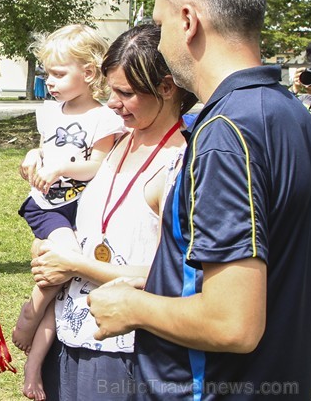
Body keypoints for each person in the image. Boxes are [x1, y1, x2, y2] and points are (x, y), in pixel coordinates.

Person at [87, 0, 311, 400]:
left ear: (188, 20)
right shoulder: (288, 111)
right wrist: (160, 281)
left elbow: (233, 323)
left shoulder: (226, 133)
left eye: (159, 24)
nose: (159, 38)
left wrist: (134, 306)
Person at [26, 24, 195, 401]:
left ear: (167, 88)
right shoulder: (115, 141)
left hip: (123, 347)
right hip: (70, 334)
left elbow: (172, 274)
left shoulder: (178, 165)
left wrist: (75, 265)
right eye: (111, 89)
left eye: (126, 93)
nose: (113, 104)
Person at [11, 24, 125, 382]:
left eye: (59, 73)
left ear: (89, 73)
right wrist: (33, 156)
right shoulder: (49, 111)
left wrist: (63, 166)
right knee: (63, 259)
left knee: (65, 285)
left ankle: (35, 364)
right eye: (48, 73)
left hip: (82, 208)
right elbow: (46, 150)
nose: (50, 81)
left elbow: (98, 165)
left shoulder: (105, 117)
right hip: (49, 207)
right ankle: (31, 311)